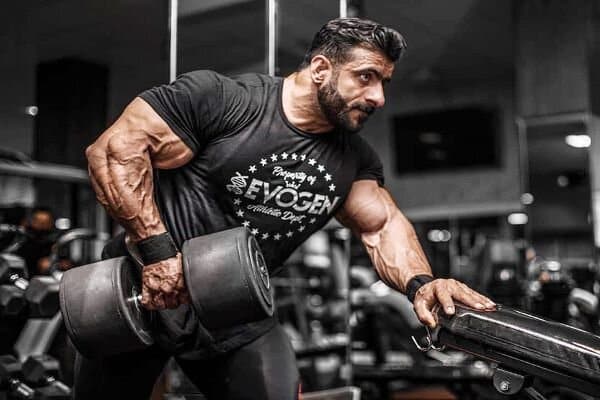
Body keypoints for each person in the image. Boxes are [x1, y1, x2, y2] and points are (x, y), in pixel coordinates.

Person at [83, 17, 495, 400]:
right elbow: (115, 151)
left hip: (236, 313)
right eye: (366, 77)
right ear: (320, 69)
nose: (378, 97)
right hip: (141, 292)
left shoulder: (353, 159)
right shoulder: (224, 100)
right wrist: (157, 254)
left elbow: (382, 226)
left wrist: (421, 283)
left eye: (384, 82)